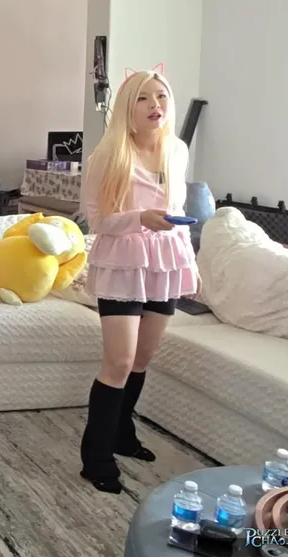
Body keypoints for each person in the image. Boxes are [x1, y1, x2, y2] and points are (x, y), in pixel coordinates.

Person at [78, 66, 199, 494]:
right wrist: (140, 218)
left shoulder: (177, 151)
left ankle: (122, 433)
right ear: (128, 108)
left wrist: (189, 259)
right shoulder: (109, 154)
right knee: (119, 361)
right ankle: (96, 457)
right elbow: (97, 221)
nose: (155, 105)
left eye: (161, 96)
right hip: (122, 262)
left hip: (165, 261)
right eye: (144, 98)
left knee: (143, 358)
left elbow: (176, 208)